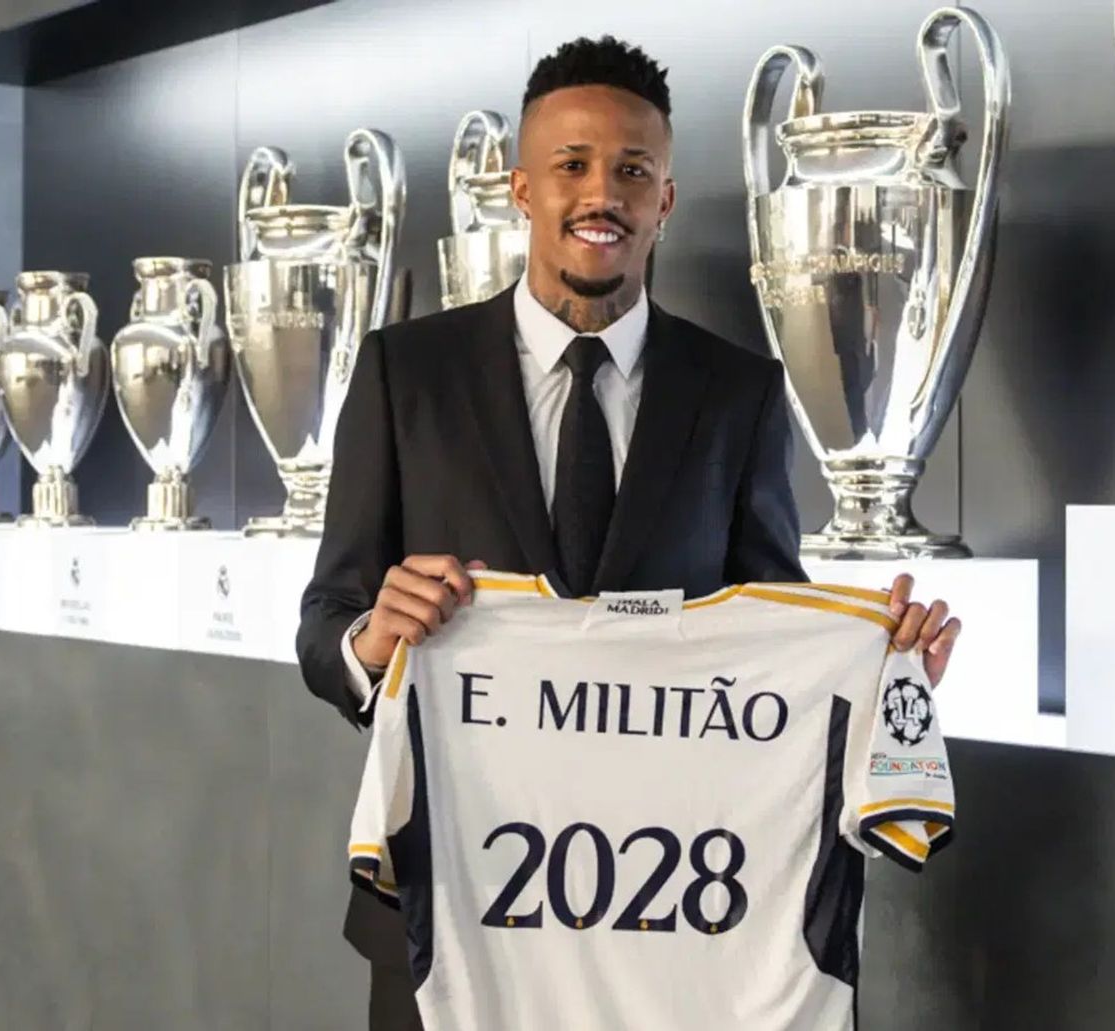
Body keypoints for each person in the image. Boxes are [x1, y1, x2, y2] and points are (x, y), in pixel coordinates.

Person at [295, 35, 961, 1031]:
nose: (599, 193)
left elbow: (764, 624)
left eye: (631, 170)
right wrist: (370, 645)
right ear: (520, 189)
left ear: (665, 201)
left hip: (671, 926)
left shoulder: (737, 393)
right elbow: (323, 624)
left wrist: (869, 669)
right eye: (570, 166)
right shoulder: (405, 373)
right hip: (448, 912)